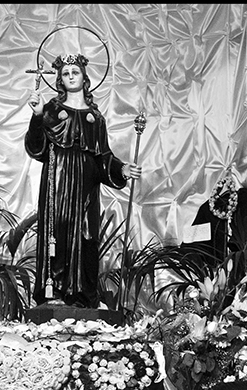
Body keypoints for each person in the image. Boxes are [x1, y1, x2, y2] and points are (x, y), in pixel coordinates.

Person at [25, 53, 142, 308]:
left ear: (84, 77)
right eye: (65, 74)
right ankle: (53, 292)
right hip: (58, 182)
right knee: (60, 233)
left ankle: (83, 296)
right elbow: (37, 149)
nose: (70, 77)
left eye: (74, 72)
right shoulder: (52, 111)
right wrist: (37, 117)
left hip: (87, 186)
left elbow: (103, 158)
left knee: (87, 236)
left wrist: (122, 169)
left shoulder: (95, 118)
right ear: (60, 80)